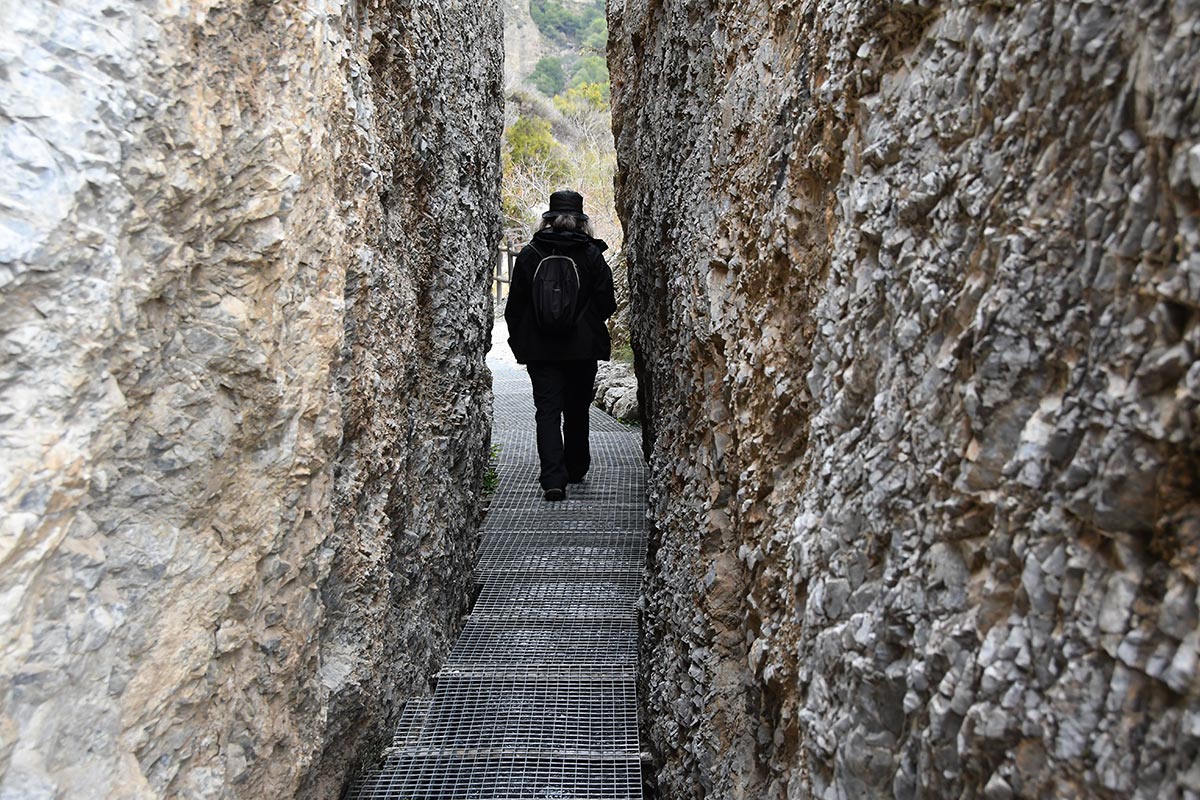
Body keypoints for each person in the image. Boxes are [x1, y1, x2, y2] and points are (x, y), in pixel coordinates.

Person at [504, 190, 617, 501]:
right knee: (578, 409)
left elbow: (515, 307)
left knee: (548, 411)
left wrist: (522, 342)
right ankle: (576, 466)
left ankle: (554, 478)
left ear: (549, 220)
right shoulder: (592, 254)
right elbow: (607, 302)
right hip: (582, 349)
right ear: (581, 222)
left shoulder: (530, 253)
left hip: (542, 350)